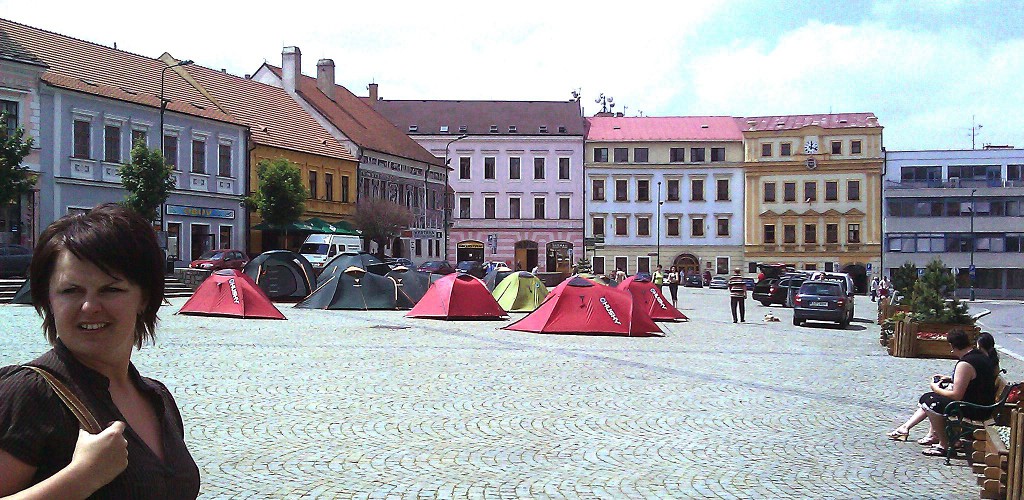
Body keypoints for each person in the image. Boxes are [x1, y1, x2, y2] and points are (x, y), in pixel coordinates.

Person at [0, 203, 200, 497]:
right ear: (49, 301)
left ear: (143, 298)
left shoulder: (157, 398)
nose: (90, 307)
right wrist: (81, 477)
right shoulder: (28, 394)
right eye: (71, 291)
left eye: (111, 289)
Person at [886, 330, 996, 457]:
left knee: (932, 402)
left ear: (952, 346)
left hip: (975, 408)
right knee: (929, 399)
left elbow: (956, 395)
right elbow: (975, 379)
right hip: (983, 403)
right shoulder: (978, 356)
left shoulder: (965, 363)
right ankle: (910, 429)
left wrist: (935, 388)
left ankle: (944, 445)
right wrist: (950, 379)